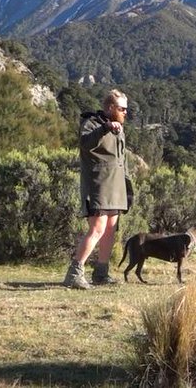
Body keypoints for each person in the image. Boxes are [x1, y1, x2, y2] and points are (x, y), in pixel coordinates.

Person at [64, 89, 131, 289]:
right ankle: (74, 273)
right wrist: (105, 128)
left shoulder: (120, 128)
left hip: (116, 185)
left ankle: (101, 273)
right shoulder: (92, 123)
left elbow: (122, 158)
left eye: (126, 109)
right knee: (97, 228)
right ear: (110, 107)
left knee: (110, 229)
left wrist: (127, 186)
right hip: (98, 184)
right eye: (122, 109)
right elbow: (85, 143)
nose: (125, 112)